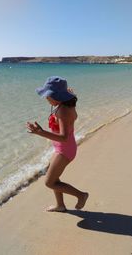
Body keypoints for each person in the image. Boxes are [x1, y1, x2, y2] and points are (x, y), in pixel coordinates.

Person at [26, 76, 88, 212]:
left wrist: (40, 132)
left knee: (49, 182)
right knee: (53, 176)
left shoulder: (63, 111)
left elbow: (64, 137)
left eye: (48, 96)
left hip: (65, 150)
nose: (46, 98)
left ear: (57, 96)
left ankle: (81, 195)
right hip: (62, 148)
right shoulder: (67, 103)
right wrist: (68, 93)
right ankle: (60, 205)